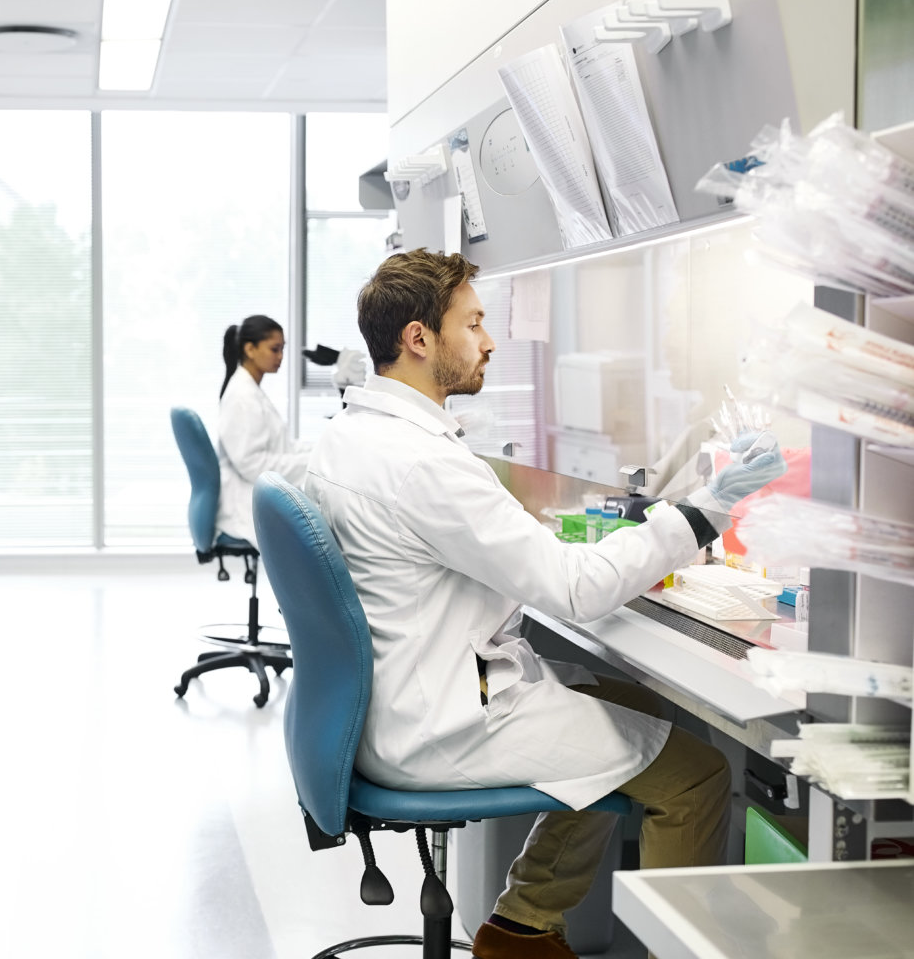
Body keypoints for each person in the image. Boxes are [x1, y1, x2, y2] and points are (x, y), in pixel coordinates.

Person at [302, 250, 786, 959]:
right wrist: (706, 511)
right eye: (473, 323)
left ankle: (524, 924)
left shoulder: (353, 435)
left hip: (396, 699)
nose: (490, 341)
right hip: (441, 720)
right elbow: (575, 589)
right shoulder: (423, 463)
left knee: (636, 705)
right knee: (699, 778)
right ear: (418, 339)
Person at [216, 315, 313, 547]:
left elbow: (281, 446)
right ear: (250, 349)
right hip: (244, 505)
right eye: (274, 349)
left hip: (255, 493)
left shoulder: (250, 389)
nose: (280, 357)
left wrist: (320, 449)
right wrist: (311, 463)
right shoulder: (242, 397)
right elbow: (252, 464)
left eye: (282, 349)